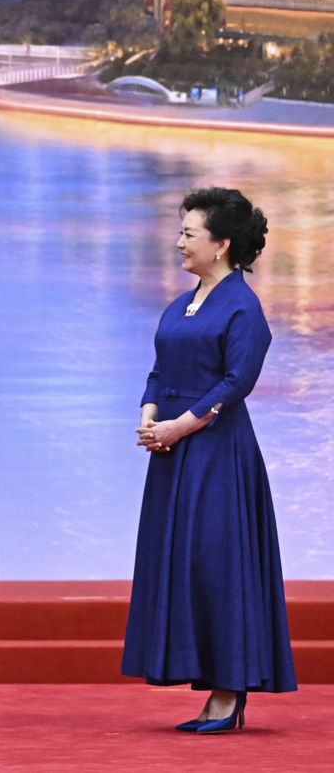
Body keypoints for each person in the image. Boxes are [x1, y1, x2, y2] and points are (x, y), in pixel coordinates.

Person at [123, 187, 296, 733]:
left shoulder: (243, 305)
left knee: (218, 566)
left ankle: (229, 692)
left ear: (221, 244)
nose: (178, 242)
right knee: (185, 564)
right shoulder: (184, 301)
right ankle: (208, 683)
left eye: (188, 234)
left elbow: (236, 382)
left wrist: (180, 424)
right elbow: (158, 368)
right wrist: (151, 414)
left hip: (216, 451)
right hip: (172, 450)